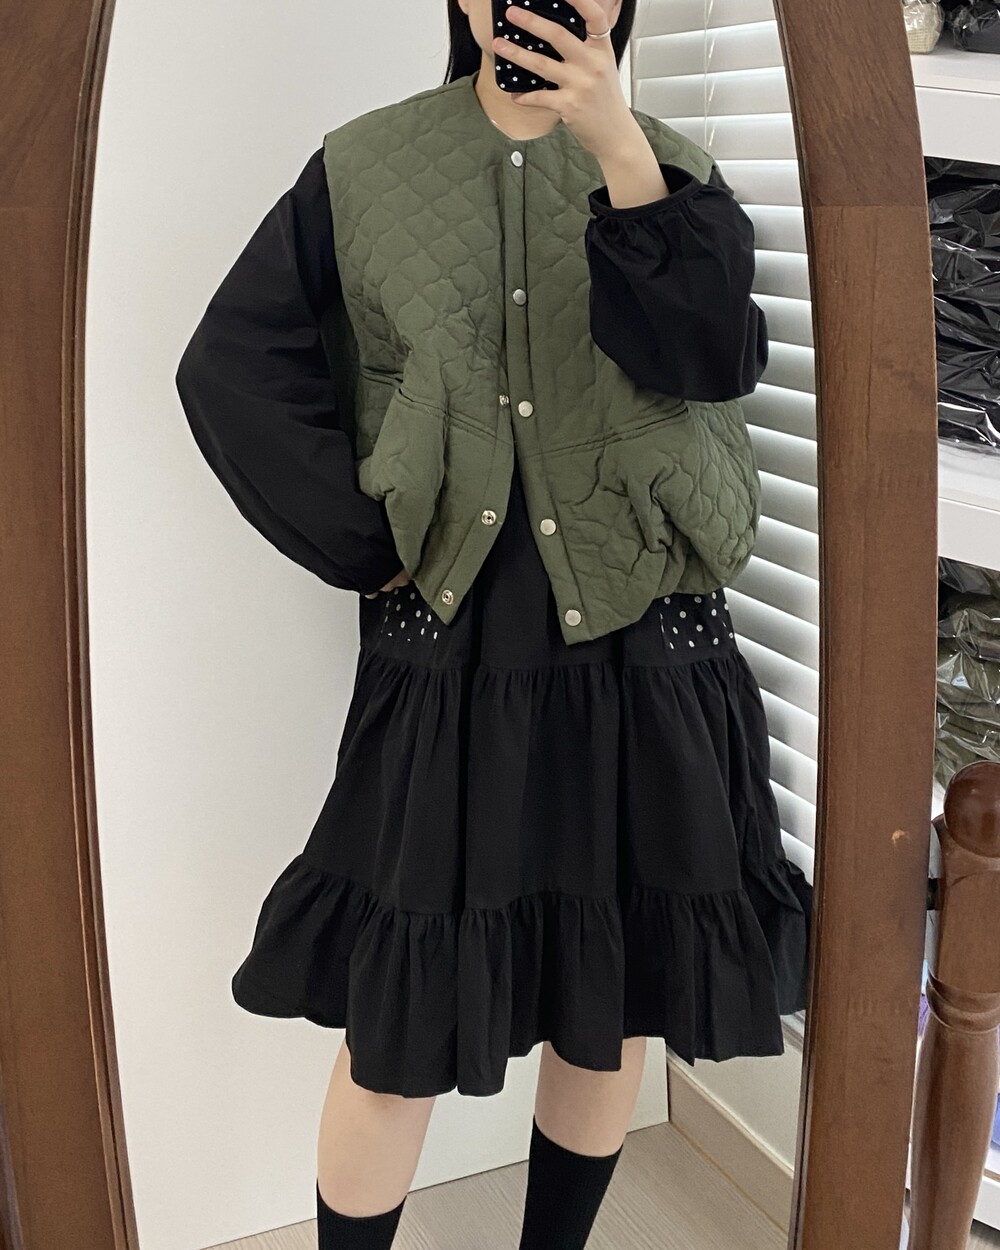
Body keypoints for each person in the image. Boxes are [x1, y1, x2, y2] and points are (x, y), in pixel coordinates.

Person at [174, 0, 813, 1246]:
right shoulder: (362, 165)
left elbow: (709, 363)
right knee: (398, 1023)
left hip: (648, 648)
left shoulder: (673, 167)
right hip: (454, 646)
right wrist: (367, 545)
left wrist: (620, 152)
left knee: (610, 999)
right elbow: (230, 363)